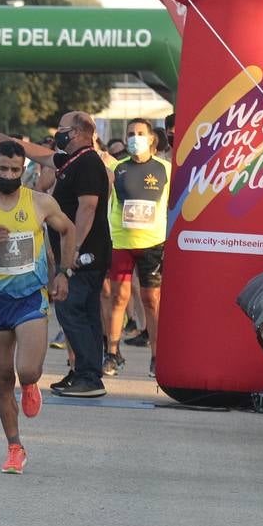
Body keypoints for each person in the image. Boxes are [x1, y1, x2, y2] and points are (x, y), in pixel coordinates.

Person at [0, 141, 76, 474]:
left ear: (23, 170)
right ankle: (14, 447)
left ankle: (31, 384)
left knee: (26, 371)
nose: (9, 175)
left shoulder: (39, 202)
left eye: (15, 169)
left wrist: (64, 272)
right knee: (1, 380)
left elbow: (68, 230)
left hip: (29, 298)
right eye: (2, 169)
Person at [0, 112, 111, 398]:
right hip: (84, 253)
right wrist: (9, 141)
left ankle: (89, 376)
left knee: (72, 311)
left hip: (84, 255)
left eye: (63, 130)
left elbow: (87, 208)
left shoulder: (88, 163)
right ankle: (85, 372)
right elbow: (43, 156)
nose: (58, 134)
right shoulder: (73, 160)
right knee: (84, 314)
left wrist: (74, 249)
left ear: (77, 133)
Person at [103, 118, 168, 377]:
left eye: (140, 133)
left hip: (153, 243)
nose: (134, 138)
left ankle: (157, 356)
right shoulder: (117, 168)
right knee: (118, 298)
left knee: (151, 300)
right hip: (121, 242)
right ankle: (112, 353)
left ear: (152, 139)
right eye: (130, 133)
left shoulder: (166, 169)